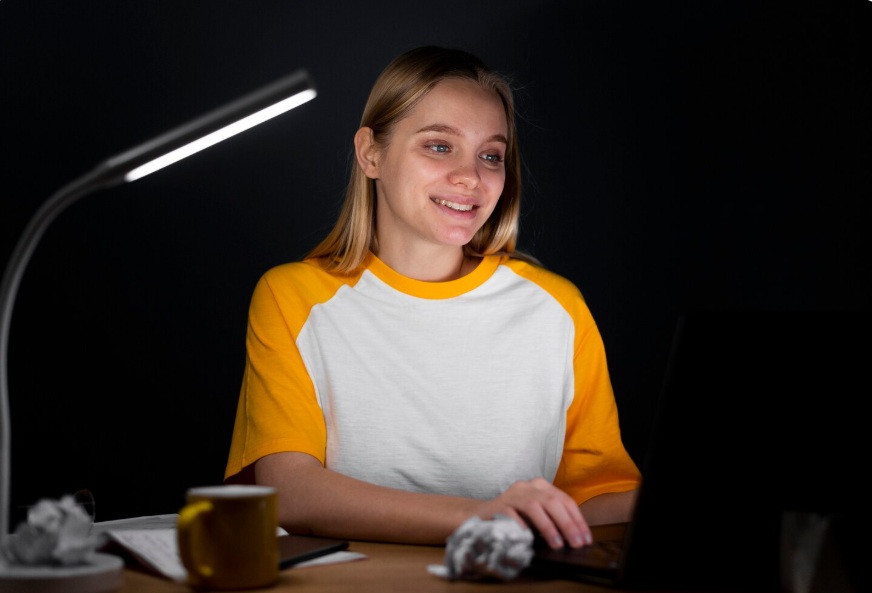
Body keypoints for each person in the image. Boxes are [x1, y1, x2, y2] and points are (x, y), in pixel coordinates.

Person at [224, 45, 641, 551]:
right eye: (440, 146)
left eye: (491, 155)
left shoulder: (557, 308)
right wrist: (481, 515)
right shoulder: (293, 297)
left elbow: (592, 501)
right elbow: (290, 492)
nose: (471, 177)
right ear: (370, 153)